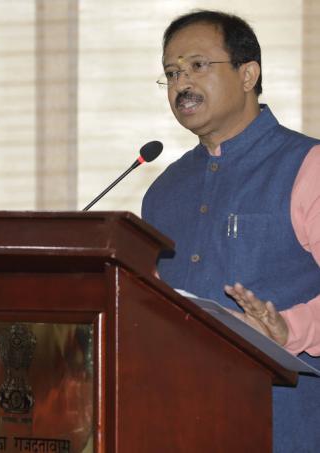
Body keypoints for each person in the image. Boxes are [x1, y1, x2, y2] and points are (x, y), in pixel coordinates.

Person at [141, 10, 320, 452]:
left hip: (286, 429)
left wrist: (288, 330)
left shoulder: (307, 167)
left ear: (248, 74)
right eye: (171, 72)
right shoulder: (162, 191)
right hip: (177, 426)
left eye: (197, 65)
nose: (181, 83)